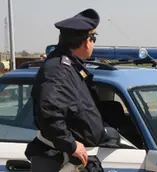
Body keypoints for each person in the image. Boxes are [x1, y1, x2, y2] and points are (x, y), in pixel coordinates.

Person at [25, 8, 106, 172]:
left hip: (67, 157)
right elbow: (49, 111)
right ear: (86, 41)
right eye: (93, 38)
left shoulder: (70, 67)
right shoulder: (58, 70)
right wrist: (71, 144)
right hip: (59, 159)